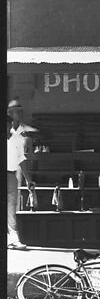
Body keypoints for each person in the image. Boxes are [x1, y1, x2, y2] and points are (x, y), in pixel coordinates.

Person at [7, 99, 36, 250]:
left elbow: (21, 159)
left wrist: (29, 179)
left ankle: (12, 240)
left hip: (11, 175)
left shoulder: (17, 138)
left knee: (11, 207)